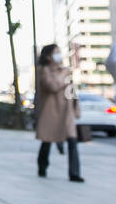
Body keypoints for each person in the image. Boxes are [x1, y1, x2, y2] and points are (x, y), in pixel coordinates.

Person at [34, 44, 83, 181]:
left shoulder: (65, 71)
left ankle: (74, 173)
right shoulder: (44, 70)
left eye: (59, 52)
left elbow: (72, 91)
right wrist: (63, 74)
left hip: (66, 113)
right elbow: (53, 86)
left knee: (72, 141)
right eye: (56, 53)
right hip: (51, 112)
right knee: (47, 141)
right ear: (48, 56)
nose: (59, 55)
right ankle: (42, 167)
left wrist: (76, 108)